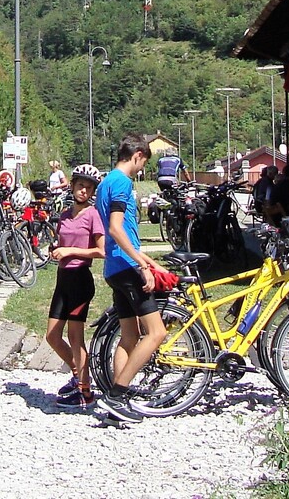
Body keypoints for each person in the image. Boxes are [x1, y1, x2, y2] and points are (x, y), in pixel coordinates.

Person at [93, 136, 165, 425]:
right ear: (137, 155)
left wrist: (145, 259)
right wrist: (140, 263)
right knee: (156, 333)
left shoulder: (105, 182)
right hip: (125, 265)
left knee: (130, 336)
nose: (142, 169)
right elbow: (116, 228)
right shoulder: (122, 183)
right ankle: (118, 394)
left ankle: (115, 400)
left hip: (113, 266)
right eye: (144, 163)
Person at [45, 163, 106, 407]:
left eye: (89, 188)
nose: (84, 191)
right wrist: (56, 251)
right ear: (72, 186)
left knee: (75, 337)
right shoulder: (64, 216)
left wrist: (71, 250)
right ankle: (78, 375)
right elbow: (61, 244)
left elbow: (101, 251)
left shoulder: (93, 215)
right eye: (81, 185)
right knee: (52, 335)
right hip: (63, 279)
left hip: (81, 278)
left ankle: (86, 392)